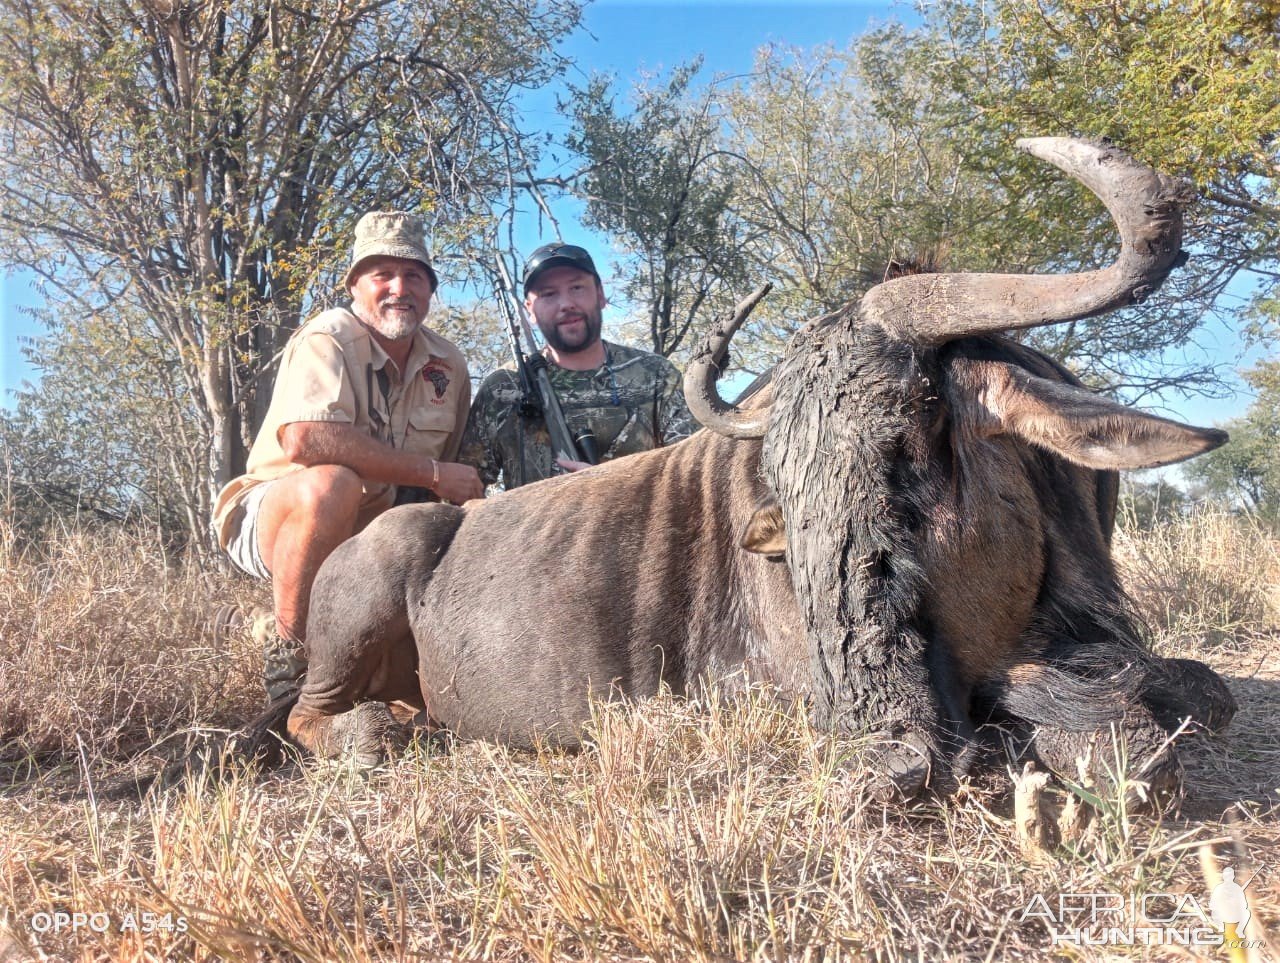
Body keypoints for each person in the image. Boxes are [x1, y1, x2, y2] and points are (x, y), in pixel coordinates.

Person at [212, 211, 484, 702]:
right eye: (383, 275)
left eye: (415, 276)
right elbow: (305, 441)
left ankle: (252, 626)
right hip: (278, 515)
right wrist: (433, 473)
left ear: (430, 290)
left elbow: (458, 476)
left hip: (375, 536)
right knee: (330, 484)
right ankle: (289, 661)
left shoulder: (449, 363)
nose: (400, 288)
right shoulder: (329, 336)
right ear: (356, 285)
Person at [461, 242, 696, 488]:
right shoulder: (503, 386)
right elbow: (464, 489)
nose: (566, 304)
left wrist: (612, 487)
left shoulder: (656, 374)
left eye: (577, 287)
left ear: (600, 294)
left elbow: (693, 475)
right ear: (529, 310)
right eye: (548, 294)